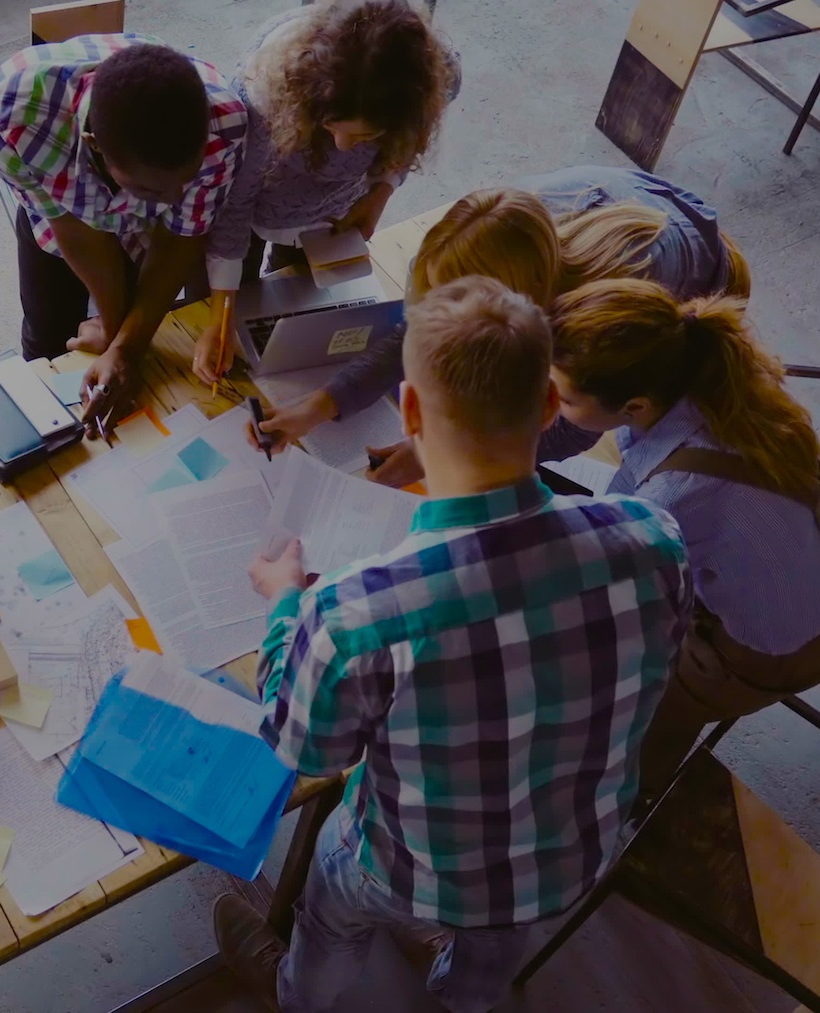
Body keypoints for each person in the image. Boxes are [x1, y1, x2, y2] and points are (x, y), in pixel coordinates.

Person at [216, 277, 693, 1013]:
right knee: (497, 936)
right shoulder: (653, 538)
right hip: (564, 858)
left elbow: (304, 749)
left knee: (334, 906)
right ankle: (462, 999)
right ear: (547, 406)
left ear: (409, 411)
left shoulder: (354, 608)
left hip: (411, 868)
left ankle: (300, 996)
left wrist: (285, 601)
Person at [244, 165, 751, 485]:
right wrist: (322, 402)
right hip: (644, 207)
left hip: (694, 273)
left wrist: (438, 455)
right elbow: (419, 330)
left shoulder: (592, 327)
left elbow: (575, 422)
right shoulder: (499, 233)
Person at [549, 278, 820, 792]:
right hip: (817, 576)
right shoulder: (714, 380)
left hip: (770, 653)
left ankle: (626, 798)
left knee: (632, 708)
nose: (552, 404)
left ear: (636, 406)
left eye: (563, 398)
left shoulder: (674, 492)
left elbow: (593, 581)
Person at [0, 33, 247, 434]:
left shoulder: (225, 124)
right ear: (94, 145)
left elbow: (180, 236)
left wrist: (124, 347)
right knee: (47, 333)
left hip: (119, 192)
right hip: (63, 214)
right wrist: (118, 336)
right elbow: (78, 233)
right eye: (156, 191)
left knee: (143, 323)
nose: (174, 198)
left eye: (186, 180)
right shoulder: (8, 122)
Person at [193, 0, 456, 381]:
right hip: (252, 207)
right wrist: (220, 319)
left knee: (298, 308)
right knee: (234, 300)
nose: (346, 146)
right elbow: (235, 204)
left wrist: (380, 191)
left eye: (366, 136)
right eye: (332, 127)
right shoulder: (263, 100)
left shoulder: (431, 78)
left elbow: (411, 136)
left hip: (331, 210)